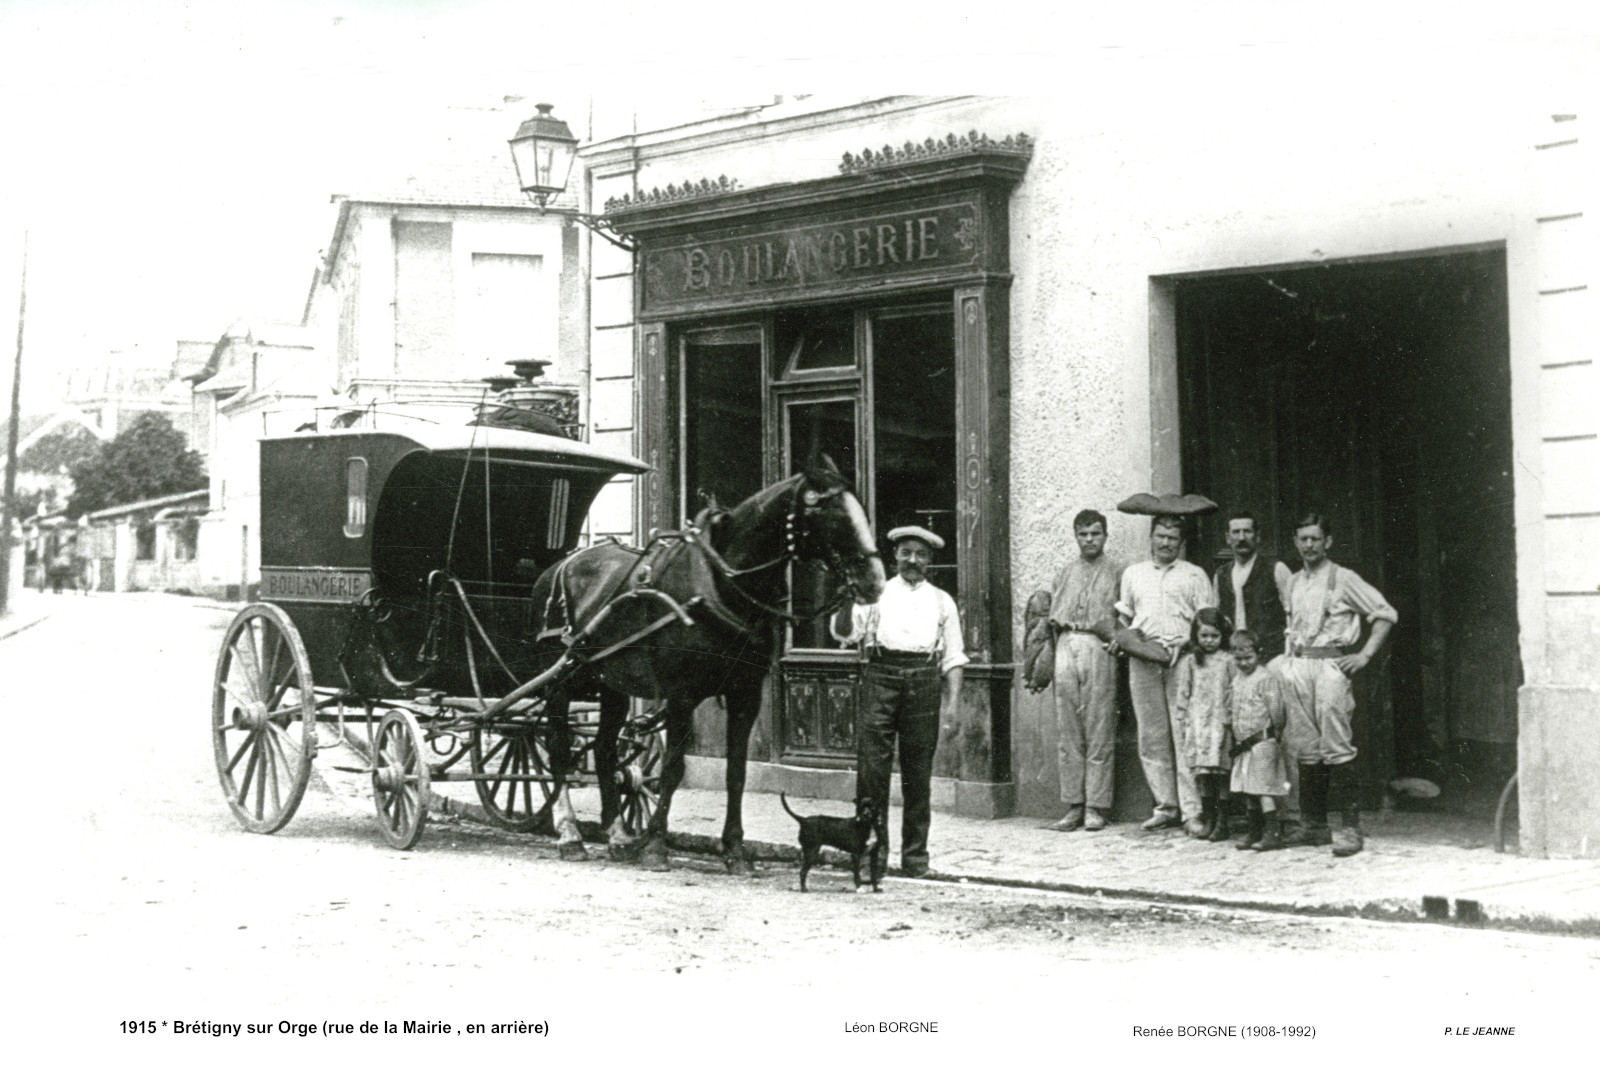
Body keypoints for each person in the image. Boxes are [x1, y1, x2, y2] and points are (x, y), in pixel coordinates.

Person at [832, 525, 967, 880]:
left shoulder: (942, 601)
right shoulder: (875, 595)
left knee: (917, 776)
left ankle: (915, 858)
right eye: (906, 552)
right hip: (880, 676)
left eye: (920, 554)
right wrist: (847, 598)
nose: (912, 560)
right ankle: (871, 857)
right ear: (894, 556)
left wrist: (952, 706)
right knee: (872, 774)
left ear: (930, 560)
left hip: (924, 682)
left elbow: (953, 657)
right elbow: (846, 634)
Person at [1277, 512, 1397, 857]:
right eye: (1303, 539)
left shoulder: (1344, 579)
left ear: (1327, 542)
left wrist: (1363, 656)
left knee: (1337, 743)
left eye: (1316, 538)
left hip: (1331, 666)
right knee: (1305, 746)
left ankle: (1350, 828)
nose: (1309, 545)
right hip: (1299, 665)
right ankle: (1314, 826)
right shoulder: (1294, 582)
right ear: (1296, 542)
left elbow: (1385, 614)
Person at [1114, 514, 1218, 833]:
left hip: (1183, 659)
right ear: (1151, 537)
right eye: (1160, 536)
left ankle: (1192, 811)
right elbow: (1124, 618)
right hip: (1143, 660)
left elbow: (1207, 621)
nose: (1165, 543)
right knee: (1151, 734)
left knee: (1184, 732)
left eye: (1172, 538)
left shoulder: (1194, 574)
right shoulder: (1134, 574)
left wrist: (1185, 641)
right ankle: (1165, 806)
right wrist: (1127, 641)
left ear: (1181, 542)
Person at [1041, 509, 1123, 832]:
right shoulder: (1064, 573)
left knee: (1099, 724)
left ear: (1105, 536)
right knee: (1068, 727)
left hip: (1098, 645)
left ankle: (1096, 806)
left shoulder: (1117, 572)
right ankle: (1074, 804)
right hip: (1066, 642)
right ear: (1075, 536)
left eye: (1096, 533)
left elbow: (1124, 616)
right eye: (1083, 534)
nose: (1089, 539)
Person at [1226, 629, 1292, 850]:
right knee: (1248, 789)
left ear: (1258, 654)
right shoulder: (1237, 680)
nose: (1243, 663)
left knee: (1263, 789)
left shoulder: (1266, 678)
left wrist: (1277, 733)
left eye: (1248, 658)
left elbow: (1277, 710)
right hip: (1243, 745)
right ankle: (1254, 832)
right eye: (1238, 659)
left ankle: (1273, 833)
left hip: (1262, 742)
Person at [1172, 607, 1234, 842]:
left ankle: (1223, 821)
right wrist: (1182, 718)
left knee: (1220, 774)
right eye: (1204, 636)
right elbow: (1184, 692)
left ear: (1222, 636)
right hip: (1198, 725)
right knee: (1203, 774)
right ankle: (1209, 816)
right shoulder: (1191, 661)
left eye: (1214, 636)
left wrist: (1231, 719)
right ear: (1196, 636)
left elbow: (1232, 690)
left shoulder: (1228, 661)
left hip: (1220, 725)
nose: (1209, 641)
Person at [1212, 511, 1292, 662]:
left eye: (1247, 531)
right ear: (1228, 538)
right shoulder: (1221, 575)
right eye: (1236, 532)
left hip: (1271, 658)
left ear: (1258, 536)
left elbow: (1294, 615)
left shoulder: (1277, 569)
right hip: (1234, 658)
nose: (1241, 538)